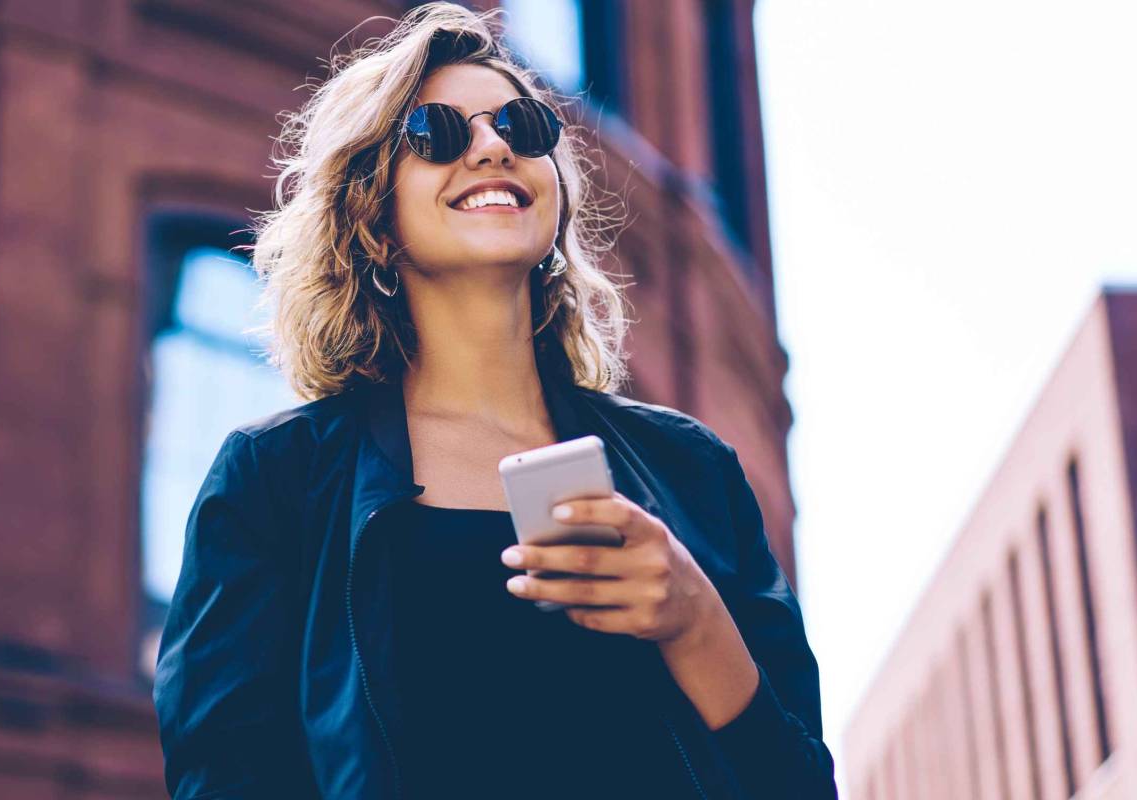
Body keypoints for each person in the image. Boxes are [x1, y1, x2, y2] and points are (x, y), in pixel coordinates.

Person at [152, 4, 835, 798]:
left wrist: (696, 623)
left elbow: (799, 786)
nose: (493, 144)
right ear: (371, 212)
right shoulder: (277, 480)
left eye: (522, 124)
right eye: (438, 133)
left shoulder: (692, 470)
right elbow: (224, 777)